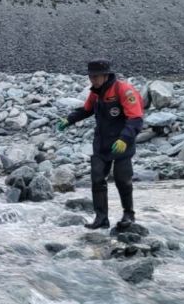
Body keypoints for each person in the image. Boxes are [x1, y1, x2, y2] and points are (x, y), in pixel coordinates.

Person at [57, 59, 144, 229]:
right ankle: (101, 217)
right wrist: (68, 119)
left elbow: (136, 118)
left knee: (122, 179)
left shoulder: (123, 90)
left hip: (122, 143)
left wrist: (124, 139)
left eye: (96, 76)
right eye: (91, 77)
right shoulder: (96, 93)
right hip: (102, 143)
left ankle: (128, 214)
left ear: (106, 75)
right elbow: (86, 109)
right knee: (97, 179)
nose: (93, 80)